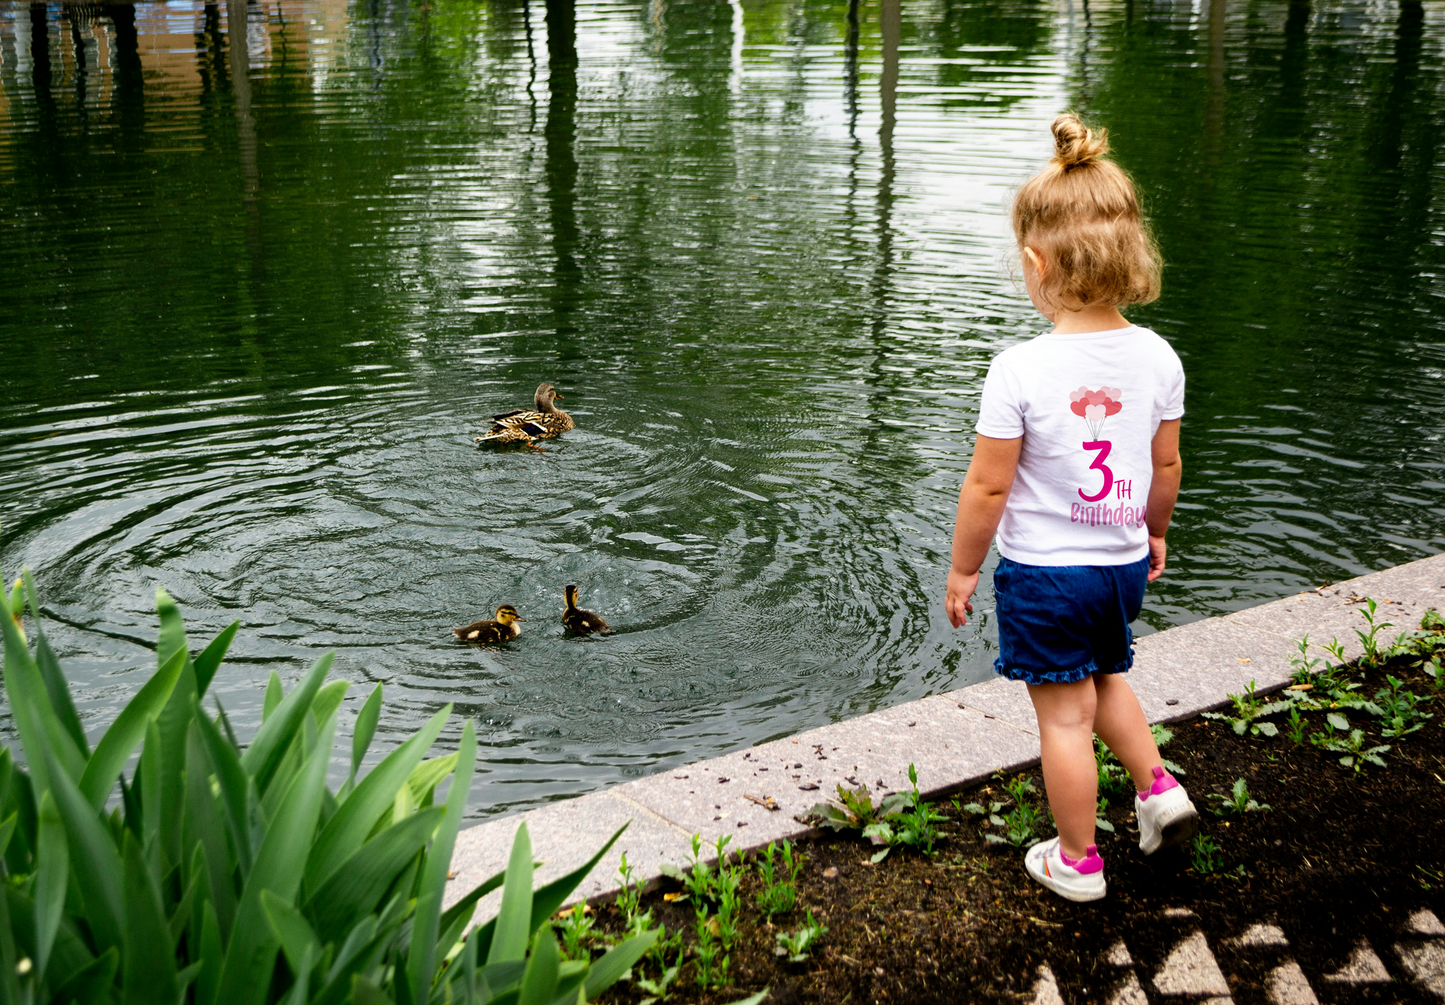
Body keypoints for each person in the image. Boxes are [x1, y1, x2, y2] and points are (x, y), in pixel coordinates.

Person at [945, 112, 1198, 903]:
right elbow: (1165, 461)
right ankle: (1157, 787)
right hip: (1119, 562)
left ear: (1035, 262)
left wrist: (961, 567)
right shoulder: (1158, 356)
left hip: (1047, 575)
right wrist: (1154, 530)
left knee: (1062, 715)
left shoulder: (1019, 369)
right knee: (1105, 675)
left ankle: (1077, 858)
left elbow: (987, 486)